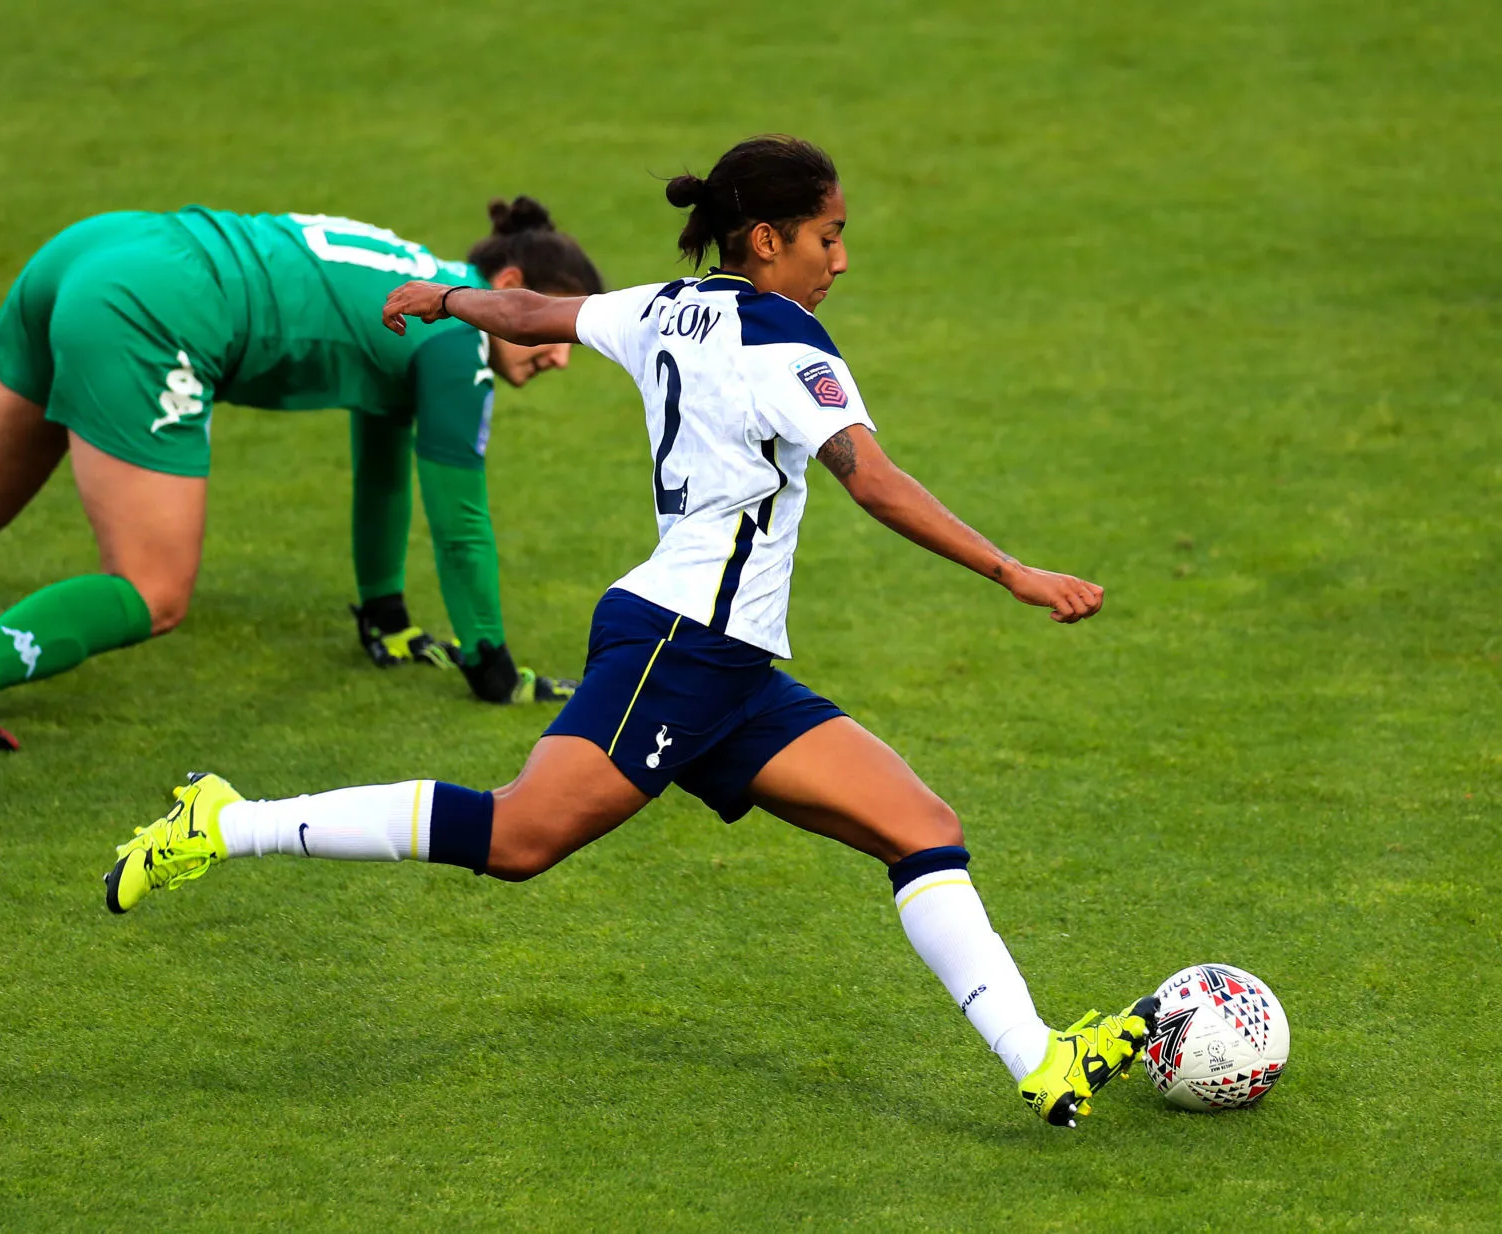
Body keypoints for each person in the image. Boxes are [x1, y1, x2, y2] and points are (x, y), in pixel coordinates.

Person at [100, 136, 1158, 1128]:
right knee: (518, 838)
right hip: (679, 643)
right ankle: (226, 822)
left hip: (727, 662)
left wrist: (447, 297)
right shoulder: (786, 341)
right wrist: (1011, 571)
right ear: (767, 239)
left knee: (919, 824)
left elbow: (532, 315)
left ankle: (1041, 1061)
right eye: (827, 236)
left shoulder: (664, 306)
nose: (840, 259)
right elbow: (871, 481)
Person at [0, 199, 600, 749]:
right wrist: (490, 665)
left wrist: (383, 611)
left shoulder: (418, 283)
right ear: (509, 292)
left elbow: (383, 462)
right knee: (154, 587)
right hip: (154, 308)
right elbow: (459, 522)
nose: (559, 353)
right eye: (556, 328)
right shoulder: (457, 343)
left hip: (94, 249)